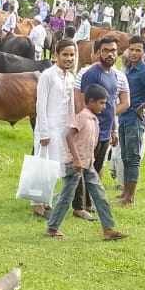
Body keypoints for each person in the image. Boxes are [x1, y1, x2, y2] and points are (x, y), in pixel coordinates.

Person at [45, 84, 127, 241]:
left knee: (100, 194)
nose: (104, 106)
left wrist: (89, 160)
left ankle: (108, 229)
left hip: (87, 164)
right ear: (91, 101)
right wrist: (76, 159)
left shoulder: (93, 119)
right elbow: (68, 135)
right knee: (67, 197)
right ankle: (52, 228)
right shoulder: (83, 117)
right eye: (101, 103)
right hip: (75, 165)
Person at [75, 36, 129, 220]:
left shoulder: (115, 75)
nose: (109, 54)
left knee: (97, 169)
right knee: (84, 168)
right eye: (105, 51)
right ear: (98, 52)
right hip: (92, 129)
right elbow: (83, 101)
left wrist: (113, 129)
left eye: (113, 51)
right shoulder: (92, 74)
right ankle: (78, 206)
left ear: (118, 53)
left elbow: (112, 106)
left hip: (106, 130)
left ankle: (89, 203)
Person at [33, 39, 79, 217]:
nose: (69, 58)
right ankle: (37, 203)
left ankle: (47, 201)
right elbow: (40, 105)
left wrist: (72, 127)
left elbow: (70, 106)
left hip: (62, 129)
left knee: (56, 167)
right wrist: (44, 132)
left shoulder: (70, 77)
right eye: (65, 54)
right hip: (48, 127)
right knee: (44, 165)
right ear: (56, 55)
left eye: (72, 55)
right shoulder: (48, 76)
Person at [119, 36, 145, 206]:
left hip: (135, 119)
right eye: (132, 50)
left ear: (144, 52)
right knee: (125, 156)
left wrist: (142, 106)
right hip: (123, 117)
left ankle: (130, 197)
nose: (134, 53)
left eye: (138, 50)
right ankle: (125, 191)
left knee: (133, 157)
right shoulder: (129, 70)